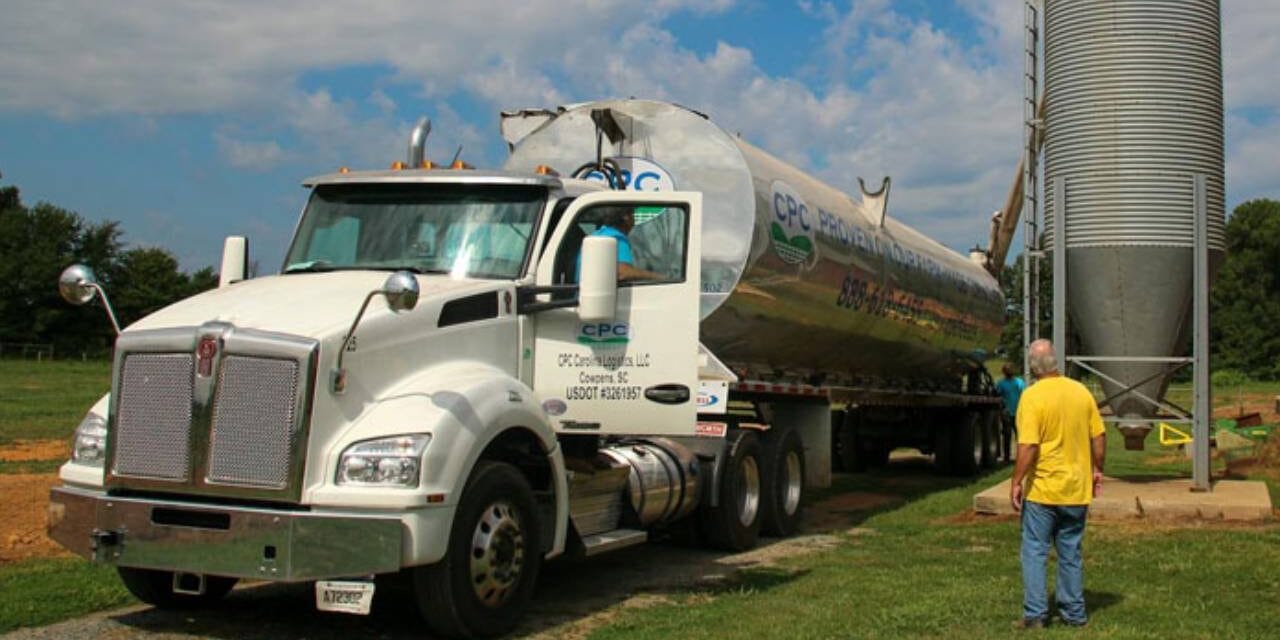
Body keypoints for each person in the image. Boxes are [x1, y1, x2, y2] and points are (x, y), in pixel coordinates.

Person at [1010, 339, 1106, 629]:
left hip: (1043, 490)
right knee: (1070, 551)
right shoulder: (1081, 392)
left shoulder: (1032, 397)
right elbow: (1099, 436)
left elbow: (1028, 446)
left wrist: (1016, 481)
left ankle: (1036, 614)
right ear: (1056, 361)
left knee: (1035, 551)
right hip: (1076, 488)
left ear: (1033, 367)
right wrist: (1097, 468)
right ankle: (1074, 614)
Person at [576, 207, 660, 282]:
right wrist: (658, 277)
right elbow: (622, 272)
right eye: (633, 215)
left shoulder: (599, 234)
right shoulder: (616, 238)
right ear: (626, 217)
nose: (634, 221)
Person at [995, 363, 1026, 463]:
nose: (1009, 372)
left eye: (1010, 370)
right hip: (1007, 413)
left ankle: (1021, 457)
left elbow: (1024, 395)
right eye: (1007, 370)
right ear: (1004, 372)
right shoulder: (1001, 384)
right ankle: (1007, 458)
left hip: (1018, 413)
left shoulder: (1019, 382)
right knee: (1007, 435)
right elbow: (997, 396)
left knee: (1020, 437)